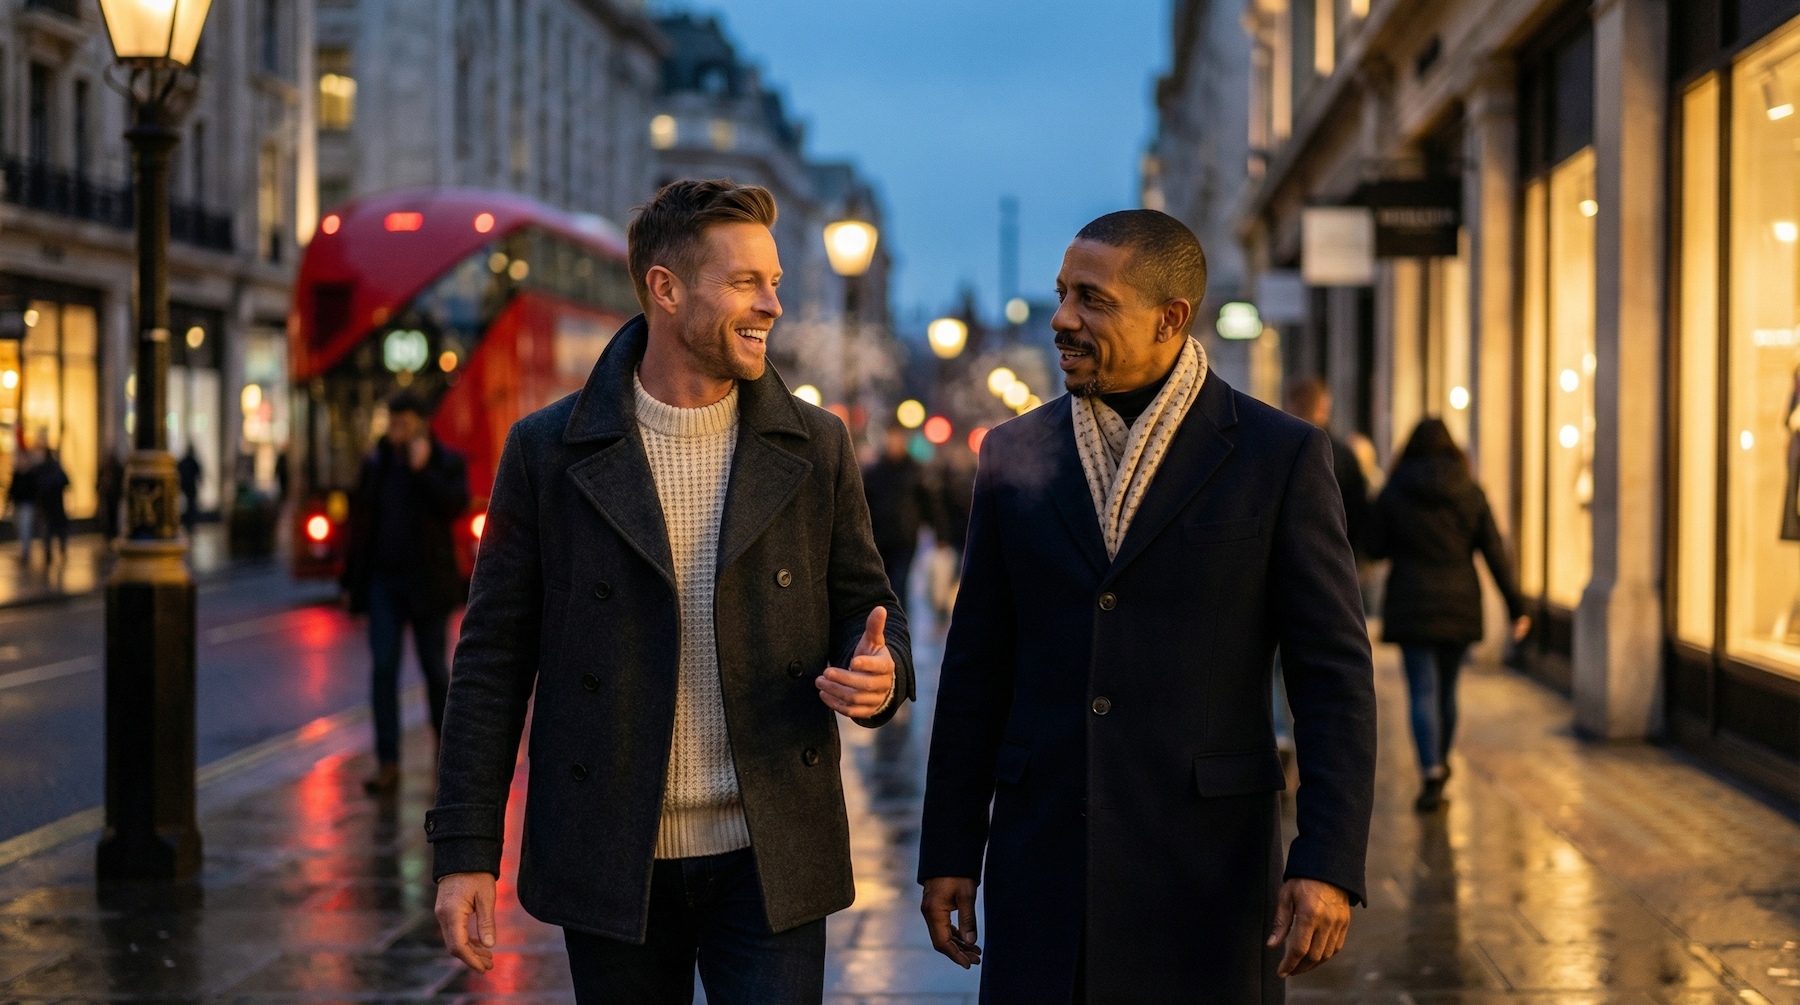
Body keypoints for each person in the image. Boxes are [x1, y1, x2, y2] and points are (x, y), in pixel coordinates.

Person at [427, 178, 913, 1004]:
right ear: (665, 288)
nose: (772, 305)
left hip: (772, 855)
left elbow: (872, 614)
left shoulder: (817, 445)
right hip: (614, 851)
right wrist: (466, 848)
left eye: (776, 283)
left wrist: (881, 677)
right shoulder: (548, 452)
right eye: (746, 282)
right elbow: (491, 663)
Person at [917, 209, 1376, 1002]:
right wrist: (951, 847)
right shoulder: (1014, 453)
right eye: (1063, 294)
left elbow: (1332, 677)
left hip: (1206, 873)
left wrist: (1327, 860)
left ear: (1171, 319)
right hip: (1044, 867)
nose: (1063, 318)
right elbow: (977, 668)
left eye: (1092, 299)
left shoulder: (1279, 455)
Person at [1367, 418, 1529, 813]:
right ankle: (1441, 760)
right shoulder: (1470, 492)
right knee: (1448, 689)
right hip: (1459, 602)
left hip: (1412, 601)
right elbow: (1494, 551)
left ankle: (1431, 771)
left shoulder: (1395, 491)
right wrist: (1516, 606)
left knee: (1422, 689)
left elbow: (1374, 546)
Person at [342, 390, 470, 795]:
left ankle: (444, 755)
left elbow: (455, 506)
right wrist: (351, 583)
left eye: (402, 422)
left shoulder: (445, 461)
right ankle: (388, 762)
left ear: (419, 423)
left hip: (427, 586)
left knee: (435, 671)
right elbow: (361, 526)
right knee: (383, 671)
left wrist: (422, 471)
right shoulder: (376, 464)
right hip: (385, 584)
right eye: (391, 421)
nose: (395, 429)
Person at [1284, 377, 1369, 557]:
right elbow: (1358, 512)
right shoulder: (1341, 455)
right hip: (1334, 556)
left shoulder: (1276, 450)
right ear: (1323, 407)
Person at [862, 422, 935, 609]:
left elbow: (928, 503)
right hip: (880, 537)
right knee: (883, 586)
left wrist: (940, 533)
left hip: (905, 538)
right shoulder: (874, 472)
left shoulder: (914, 470)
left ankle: (900, 629)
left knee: (900, 584)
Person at [33, 448, 69, 562]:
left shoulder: (41, 469)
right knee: (60, 530)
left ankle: (49, 553)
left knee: (48, 530)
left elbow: (36, 487)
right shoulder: (56, 468)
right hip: (56, 505)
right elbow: (66, 482)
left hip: (47, 505)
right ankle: (60, 550)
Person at [9, 447, 40, 562]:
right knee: (18, 526)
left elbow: (35, 491)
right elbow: (12, 490)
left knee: (25, 528)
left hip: (28, 505)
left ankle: (25, 552)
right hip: (18, 505)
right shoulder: (17, 474)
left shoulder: (31, 475)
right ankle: (23, 549)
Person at [99, 452, 125, 542]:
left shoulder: (116, 469)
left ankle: (112, 534)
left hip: (113, 496)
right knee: (109, 516)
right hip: (109, 496)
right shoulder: (106, 468)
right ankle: (109, 534)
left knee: (113, 516)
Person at [177, 446, 202, 531]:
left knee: (190, 505)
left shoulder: (188, 462)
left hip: (187, 486)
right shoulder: (190, 462)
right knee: (189, 505)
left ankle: (189, 523)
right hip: (188, 486)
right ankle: (188, 522)